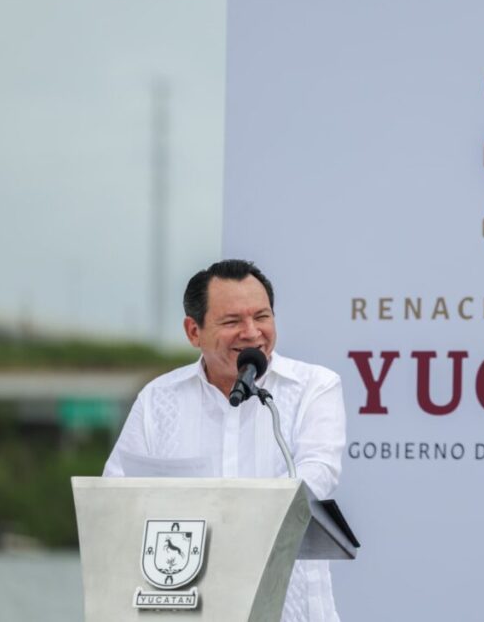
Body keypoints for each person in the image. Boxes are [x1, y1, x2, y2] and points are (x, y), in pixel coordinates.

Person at [104, 259, 346, 622]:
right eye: (232, 321)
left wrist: (216, 517)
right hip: (184, 608)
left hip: (289, 611)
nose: (252, 333)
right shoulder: (158, 399)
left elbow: (316, 475)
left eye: (262, 317)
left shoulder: (315, 386)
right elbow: (115, 495)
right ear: (193, 331)